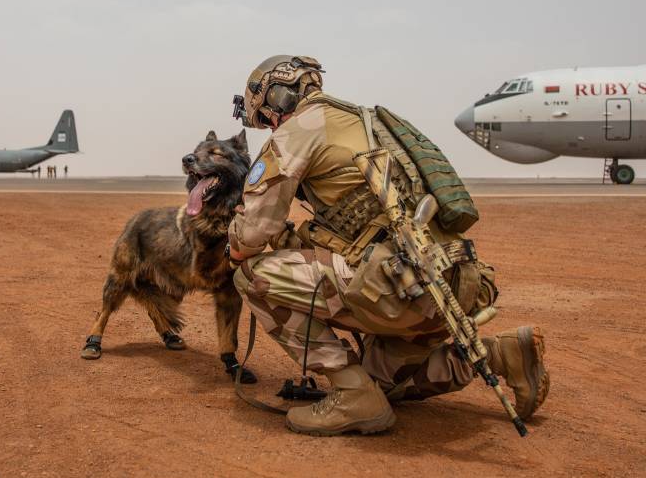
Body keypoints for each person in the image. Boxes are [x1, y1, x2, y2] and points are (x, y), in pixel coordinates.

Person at [227, 55, 549, 436]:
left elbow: (251, 234)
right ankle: (500, 355)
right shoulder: (369, 122)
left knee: (252, 277)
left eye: (266, 118)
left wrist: (233, 250)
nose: (270, 127)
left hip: (401, 293)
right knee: (379, 383)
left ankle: (352, 395)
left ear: (277, 97)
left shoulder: (298, 129)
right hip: (453, 287)